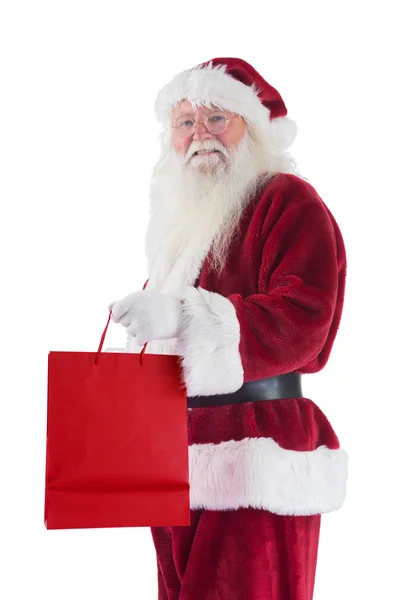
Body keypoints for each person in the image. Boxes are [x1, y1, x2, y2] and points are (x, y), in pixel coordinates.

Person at [109, 57, 348, 600]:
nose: (200, 136)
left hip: (255, 457)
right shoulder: (184, 229)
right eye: (186, 122)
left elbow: (303, 318)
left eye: (218, 119)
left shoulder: (287, 200)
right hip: (174, 460)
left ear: (252, 129)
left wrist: (177, 317)